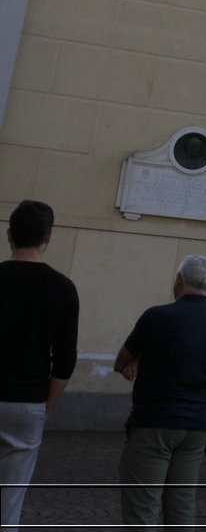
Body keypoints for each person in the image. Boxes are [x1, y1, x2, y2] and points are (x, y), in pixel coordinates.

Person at [114, 253, 206, 528]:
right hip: (197, 424)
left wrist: (136, 361)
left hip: (156, 420)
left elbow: (122, 360)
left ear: (178, 279)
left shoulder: (157, 316)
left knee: (143, 504)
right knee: (181, 505)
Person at [0, 200, 79, 532]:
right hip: (27, 400)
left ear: (9, 235)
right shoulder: (62, 288)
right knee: (10, 499)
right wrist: (47, 407)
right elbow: (64, 359)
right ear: (48, 237)